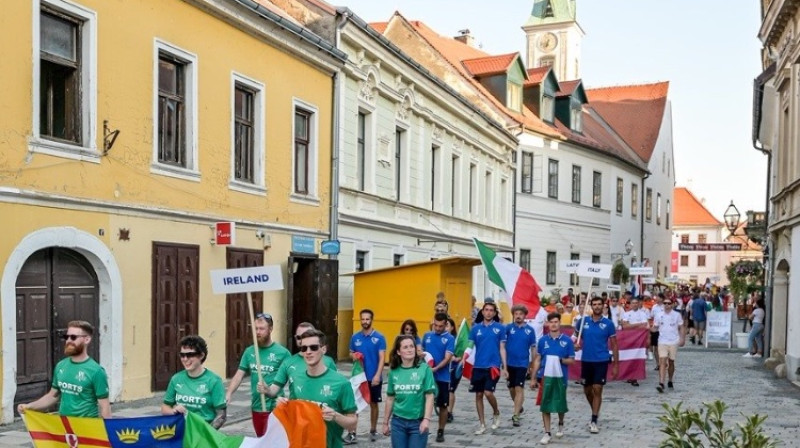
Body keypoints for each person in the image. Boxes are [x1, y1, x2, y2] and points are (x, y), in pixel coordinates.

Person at [272, 329, 357, 448]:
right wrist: (283, 406)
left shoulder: (341, 383)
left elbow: (353, 423)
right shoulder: (297, 379)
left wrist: (335, 416)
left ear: (323, 349)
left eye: (313, 347)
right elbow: (295, 416)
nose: (308, 352)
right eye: (304, 348)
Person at [17, 320, 111, 418]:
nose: (69, 340)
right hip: (64, 427)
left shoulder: (96, 371)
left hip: (86, 428)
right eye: (67, 337)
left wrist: (109, 431)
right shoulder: (61, 366)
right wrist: (29, 406)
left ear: (87, 339)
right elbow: (53, 396)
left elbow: (104, 406)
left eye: (73, 337)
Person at [225, 312, 290, 436]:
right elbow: (239, 374)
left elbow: (292, 378)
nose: (258, 332)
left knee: (277, 441)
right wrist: (229, 393)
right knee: (261, 439)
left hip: (276, 406)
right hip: (257, 406)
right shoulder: (250, 351)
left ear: (270, 329)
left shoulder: (283, 353)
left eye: (262, 329)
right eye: (255, 329)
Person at [382, 335, 437, 448]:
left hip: (418, 422)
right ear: (398, 351)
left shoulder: (424, 369)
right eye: (405, 347)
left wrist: (426, 420)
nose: (410, 349)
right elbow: (390, 398)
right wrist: (385, 423)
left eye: (412, 346)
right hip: (398, 423)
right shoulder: (394, 371)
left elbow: (429, 396)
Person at [574, 297, 618, 434]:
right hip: (586, 360)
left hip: (601, 360)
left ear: (603, 306)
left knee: (597, 388)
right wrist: (574, 345)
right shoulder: (582, 322)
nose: (597, 306)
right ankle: (595, 409)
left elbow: (615, 345)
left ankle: (594, 419)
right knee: (587, 390)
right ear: (591, 306)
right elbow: (574, 338)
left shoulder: (608, 324)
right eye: (595, 304)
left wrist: (616, 364)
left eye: (600, 304)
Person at [161, 335, 226, 428]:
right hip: (181, 431)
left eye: (190, 355)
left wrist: (206, 434)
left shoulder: (214, 381)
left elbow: (222, 416)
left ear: (201, 355)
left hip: (203, 432)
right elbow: (165, 407)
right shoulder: (176, 379)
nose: (185, 359)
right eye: (182, 355)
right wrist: (173, 411)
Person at [531, 312, 575, 445]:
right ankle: (547, 432)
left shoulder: (567, 341)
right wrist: (533, 377)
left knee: (560, 402)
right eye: (551, 322)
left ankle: (561, 423)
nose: (554, 324)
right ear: (548, 324)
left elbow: (571, 360)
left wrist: (561, 360)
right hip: (545, 377)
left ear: (559, 323)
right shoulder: (543, 340)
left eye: (556, 322)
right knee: (546, 403)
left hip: (561, 377)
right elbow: (538, 359)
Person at [468, 301, 508, 435]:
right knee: (478, 395)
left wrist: (505, 367)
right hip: (478, 366)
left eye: (491, 310)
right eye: (486, 310)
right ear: (483, 312)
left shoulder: (500, 328)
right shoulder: (475, 328)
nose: (489, 312)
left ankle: (496, 412)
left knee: (488, 392)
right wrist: (463, 356)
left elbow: (502, 348)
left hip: (493, 366)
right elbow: (470, 346)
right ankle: (482, 424)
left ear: (495, 313)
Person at [349, 309, 387, 443]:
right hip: (359, 378)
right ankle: (352, 432)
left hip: (373, 377)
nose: (365, 321)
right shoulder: (355, 337)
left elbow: (382, 358)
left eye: (367, 319)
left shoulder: (380, 338)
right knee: (354, 405)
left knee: (374, 403)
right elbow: (351, 353)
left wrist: (378, 375)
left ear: (372, 320)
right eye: (363, 319)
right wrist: (354, 356)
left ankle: (373, 429)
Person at [421, 313, 454, 443]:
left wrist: (435, 369)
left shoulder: (450, 339)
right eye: (436, 325)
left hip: (443, 378)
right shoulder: (427, 336)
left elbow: (447, 358)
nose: (438, 328)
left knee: (443, 405)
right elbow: (421, 353)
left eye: (441, 326)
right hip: (426, 377)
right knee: (423, 403)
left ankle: (441, 430)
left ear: (446, 325)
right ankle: (422, 427)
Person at [504, 304, 537, 427]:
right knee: (511, 389)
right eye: (516, 314)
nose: (518, 316)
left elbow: (533, 348)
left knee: (519, 388)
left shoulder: (530, 330)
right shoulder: (508, 328)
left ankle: (516, 415)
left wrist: (533, 364)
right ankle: (519, 406)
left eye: (520, 314)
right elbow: (502, 345)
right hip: (509, 363)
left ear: (525, 316)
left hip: (522, 364)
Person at [653, 298, 684, 393]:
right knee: (662, 361)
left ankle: (670, 379)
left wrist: (682, 338)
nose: (666, 305)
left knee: (671, 362)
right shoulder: (659, 315)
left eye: (668, 303)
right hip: (662, 341)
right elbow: (655, 327)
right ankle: (661, 383)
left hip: (673, 341)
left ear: (672, 304)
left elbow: (681, 326)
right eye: (665, 303)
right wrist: (649, 329)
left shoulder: (677, 315)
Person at [621, 297, 650, 386]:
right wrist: (638, 324)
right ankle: (629, 375)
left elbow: (644, 326)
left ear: (638, 304)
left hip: (639, 339)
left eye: (636, 303)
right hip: (629, 338)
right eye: (632, 303)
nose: (634, 304)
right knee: (629, 357)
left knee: (637, 358)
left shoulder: (643, 314)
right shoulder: (626, 314)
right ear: (630, 304)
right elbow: (625, 326)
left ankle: (635, 377)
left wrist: (631, 325)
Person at [445, 317, 461, 424]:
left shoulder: (457, 340)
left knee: (451, 390)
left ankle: (449, 412)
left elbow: (463, 354)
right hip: (443, 368)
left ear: (452, 327)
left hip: (454, 368)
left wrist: (456, 358)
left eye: (447, 325)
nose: (445, 328)